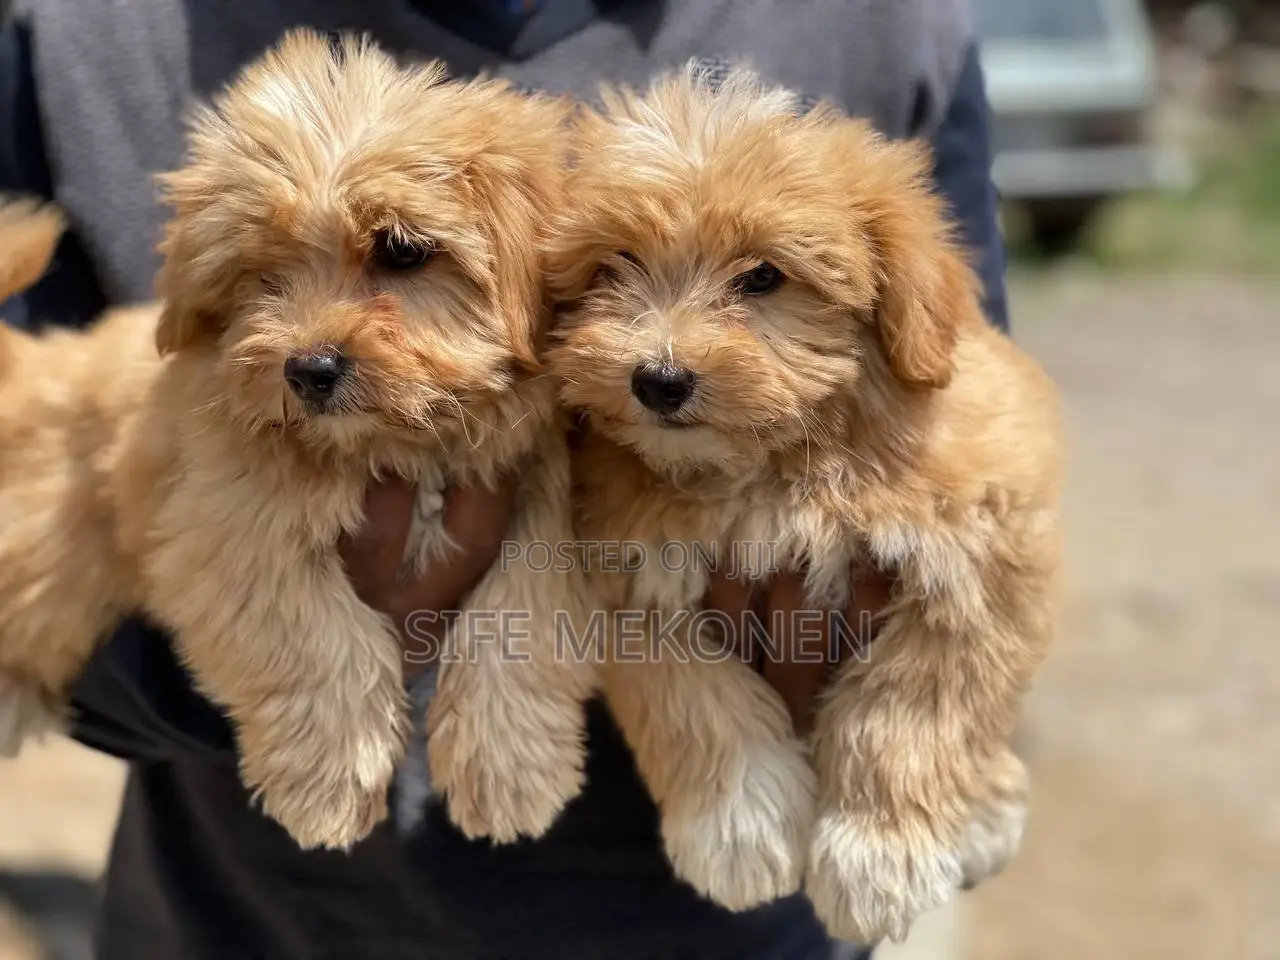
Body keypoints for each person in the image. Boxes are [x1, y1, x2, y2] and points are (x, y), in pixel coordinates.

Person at [0, 1, 1009, 958]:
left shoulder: (889, 24)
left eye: (396, 255)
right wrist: (274, 659)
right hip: (236, 924)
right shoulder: (81, 35)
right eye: (262, 278)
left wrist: (889, 695)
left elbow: (964, 412)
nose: (313, 335)